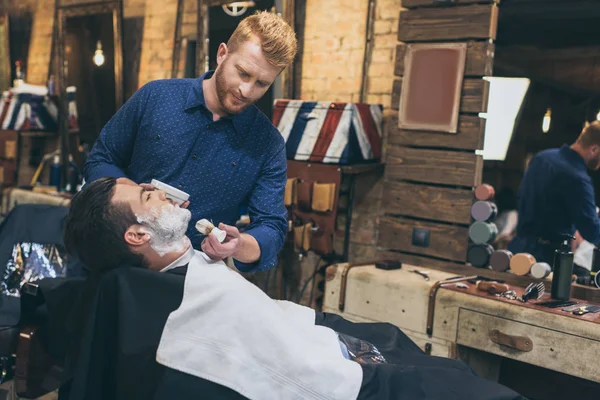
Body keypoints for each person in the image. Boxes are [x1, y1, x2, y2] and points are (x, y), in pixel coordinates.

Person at [60, 177, 524, 400]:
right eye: (147, 195)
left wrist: (227, 260)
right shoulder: (169, 306)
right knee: (458, 388)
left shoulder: (188, 268)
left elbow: (245, 308)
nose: (161, 191)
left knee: (421, 356)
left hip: (317, 337)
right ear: (138, 235)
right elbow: (256, 357)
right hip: (326, 373)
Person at [83, 11, 298, 273]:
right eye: (243, 73)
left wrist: (239, 245)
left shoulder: (267, 144)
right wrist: (137, 195)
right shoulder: (156, 97)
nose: (247, 90)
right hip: (112, 261)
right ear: (222, 54)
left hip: (189, 282)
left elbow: (272, 228)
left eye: (262, 83)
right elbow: (101, 160)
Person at [508, 121, 600, 264]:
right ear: (594, 149)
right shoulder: (577, 178)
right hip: (545, 258)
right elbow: (592, 231)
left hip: (518, 248)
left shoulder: (542, 158)